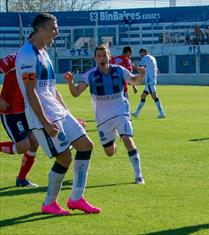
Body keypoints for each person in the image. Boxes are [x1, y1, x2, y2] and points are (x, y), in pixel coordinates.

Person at [15, 13, 100, 215]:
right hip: (41, 117)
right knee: (64, 158)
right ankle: (49, 203)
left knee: (86, 145)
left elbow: (52, 89)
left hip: (58, 112)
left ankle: (77, 198)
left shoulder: (44, 53)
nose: (57, 32)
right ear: (40, 30)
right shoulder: (27, 55)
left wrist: (69, 115)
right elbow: (31, 91)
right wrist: (45, 122)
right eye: (53, 28)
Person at [64, 44, 146, 184]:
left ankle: (139, 176)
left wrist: (142, 74)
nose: (102, 58)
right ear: (95, 58)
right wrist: (70, 83)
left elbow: (134, 81)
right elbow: (76, 93)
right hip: (103, 118)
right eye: (99, 56)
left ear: (109, 56)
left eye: (104, 55)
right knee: (109, 153)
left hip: (121, 111)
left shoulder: (120, 70)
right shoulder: (90, 75)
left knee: (127, 139)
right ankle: (113, 139)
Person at [0, 53, 39, 187]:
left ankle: (21, 179)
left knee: (34, 143)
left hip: (26, 111)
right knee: (24, 146)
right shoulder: (13, 58)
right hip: (10, 111)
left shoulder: (38, 60)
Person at [131, 48, 166, 118]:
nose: (141, 56)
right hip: (151, 80)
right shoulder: (152, 58)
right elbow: (157, 70)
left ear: (143, 52)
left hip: (150, 81)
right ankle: (137, 113)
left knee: (155, 97)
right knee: (143, 96)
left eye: (141, 54)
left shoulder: (145, 57)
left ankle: (162, 113)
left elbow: (140, 68)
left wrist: (132, 66)